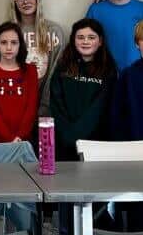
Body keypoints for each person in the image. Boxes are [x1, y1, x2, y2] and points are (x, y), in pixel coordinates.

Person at [49, 18, 116, 160]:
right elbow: (56, 102)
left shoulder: (108, 70)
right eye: (80, 37)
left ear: (100, 41)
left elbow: (100, 108)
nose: (85, 41)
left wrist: (77, 134)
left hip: (95, 142)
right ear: (73, 40)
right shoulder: (63, 67)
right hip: (63, 141)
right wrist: (68, 133)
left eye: (91, 37)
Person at [9, 0, 65, 115]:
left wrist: (45, 105)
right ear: (15, 3)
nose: (25, 2)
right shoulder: (8, 32)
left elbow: (57, 71)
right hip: (16, 103)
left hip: (48, 105)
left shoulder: (54, 31)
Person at [0, 22, 39, 144]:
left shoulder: (31, 71)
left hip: (23, 140)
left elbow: (31, 108)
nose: (9, 47)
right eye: (3, 42)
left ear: (20, 45)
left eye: (14, 42)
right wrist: (9, 138)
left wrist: (19, 137)